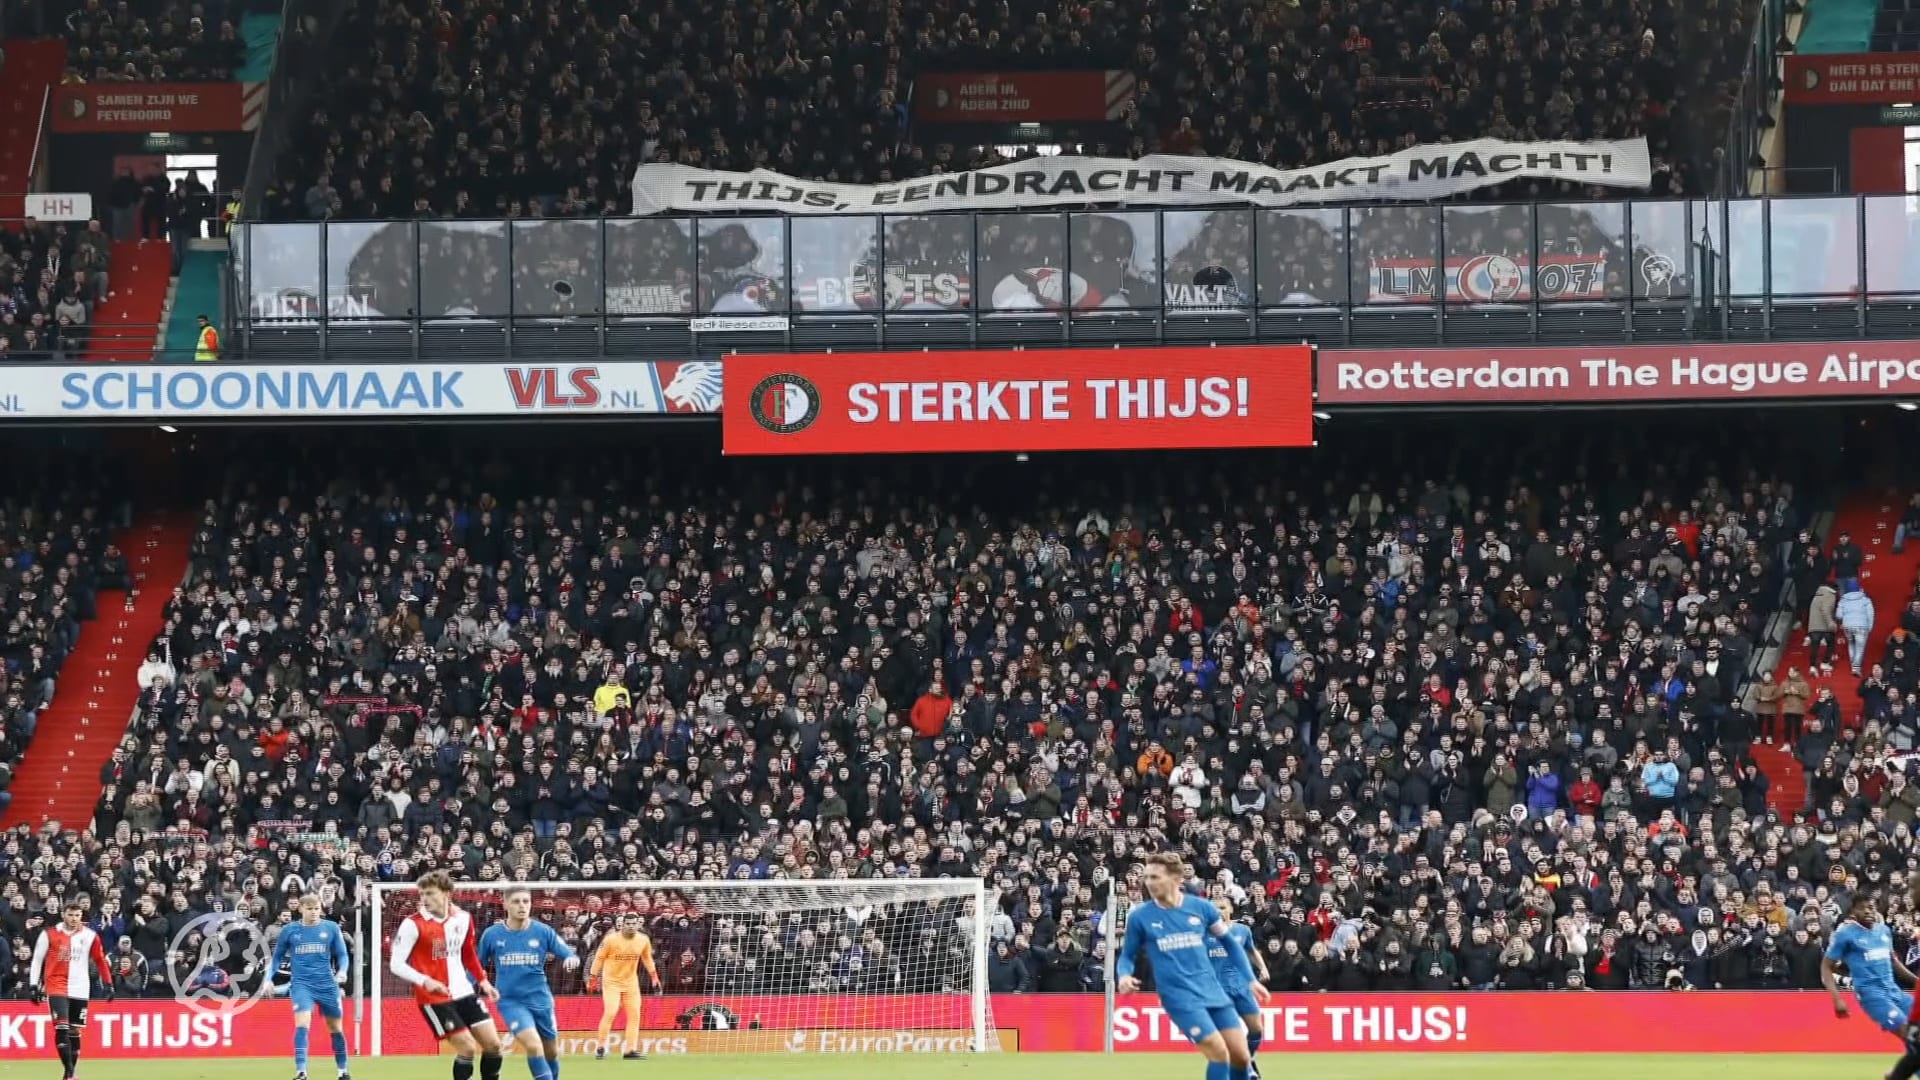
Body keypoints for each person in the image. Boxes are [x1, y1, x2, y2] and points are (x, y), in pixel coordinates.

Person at [1117, 853, 1267, 1080]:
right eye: (1147, 877)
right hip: (1179, 997)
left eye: (1155, 877)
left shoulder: (1201, 908)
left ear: (1176, 878)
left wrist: (1250, 979)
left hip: (1212, 990)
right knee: (1218, 1051)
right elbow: (1127, 956)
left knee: (1241, 1057)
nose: (1149, 883)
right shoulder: (1140, 917)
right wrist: (1124, 976)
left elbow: (1230, 943)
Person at [390, 871, 503, 1080]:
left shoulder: (463, 918)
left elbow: (468, 953)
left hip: (464, 991)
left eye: (430, 893)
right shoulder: (412, 924)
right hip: (434, 999)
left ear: (447, 893)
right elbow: (395, 964)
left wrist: (483, 981)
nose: (424, 899)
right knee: (467, 1047)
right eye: (422, 894)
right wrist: (425, 980)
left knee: (493, 1044)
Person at [478, 886, 581, 1080]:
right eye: (516, 901)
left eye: (526, 901)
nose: (522, 906)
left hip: (540, 999)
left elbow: (567, 952)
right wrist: (462, 987)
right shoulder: (492, 934)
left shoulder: (542, 931)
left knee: (550, 1051)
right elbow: (476, 966)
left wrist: (570, 958)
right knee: (533, 1045)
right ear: (505, 904)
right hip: (510, 1001)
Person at [29, 900, 114, 1080]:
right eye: (70, 914)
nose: (74, 919)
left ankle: (69, 1073)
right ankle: (69, 1072)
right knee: (61, 1027)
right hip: (56, 985)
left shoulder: (90, 935)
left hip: (80, 987)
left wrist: (108, 983)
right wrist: (33, 985)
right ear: (63, 914)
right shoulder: (49, 934)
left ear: (81, 916)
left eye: (77, 915)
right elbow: (37, 960)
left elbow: (100, 959)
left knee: (74, 1030)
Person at [271, 893, 352, 1080]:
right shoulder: (290, 930)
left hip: (327, 985)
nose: (314, 912)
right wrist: (269, 979)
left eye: (317, 908)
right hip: (302, 985)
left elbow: (342, 954)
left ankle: (343, 1071)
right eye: (310, 908)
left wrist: (343, 971)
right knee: (302, 1025)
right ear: (300, 909)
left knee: (335, 1028)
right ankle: (301, 1071)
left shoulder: (330, 928)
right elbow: (276, 957)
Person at [1822, 894, 1915, 1042]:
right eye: (1861, 908)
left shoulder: (1883, 930)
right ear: (1853, 912)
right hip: (1872, 995)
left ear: (1876, 910)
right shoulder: (1845, 934)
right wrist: (1837, 999)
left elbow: (1893, 962)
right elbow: (1826, 967)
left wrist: (1917, 981)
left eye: (1871, 907)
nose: (1867, 911)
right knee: (1909, 1034)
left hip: (1894, 991)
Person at [1211, 897, 1269, 1080]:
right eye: (1215, 908)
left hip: (1241, 989)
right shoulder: (1204, 934)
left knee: (1256, 1030)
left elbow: (1251, 950)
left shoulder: (1242, 931)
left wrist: (1262, 967)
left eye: (1222, 907)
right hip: (1218, 992)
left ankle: (1249, 1059)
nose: (1219, 911)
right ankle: (1246, 1071)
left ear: (1230, 909)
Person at [587, 912, 658, 1059]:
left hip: (631, 982)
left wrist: (654, 976)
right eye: (628, 924)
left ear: (638, 924)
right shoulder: (610, 940)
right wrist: (593, 977)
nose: (631, 927)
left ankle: (630, 1050)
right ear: (623, 925)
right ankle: (601, 1047)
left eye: (634, 924)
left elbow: (647, 958)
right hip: (611, 982)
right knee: (611, 1012)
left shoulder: (643, 940)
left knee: (635, 1015)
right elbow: (599, 958)